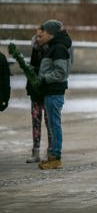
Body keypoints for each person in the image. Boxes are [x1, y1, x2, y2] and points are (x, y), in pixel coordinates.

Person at [36, 20, 72, 170]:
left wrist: (43, 79)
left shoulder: (58, 48)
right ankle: (53, 155)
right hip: (50, 92)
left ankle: (56, 157)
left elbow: (61, 73)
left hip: (54, 92)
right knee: (52, 125)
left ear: (50, 34)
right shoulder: (52, 47)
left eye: (41, 34)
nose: (38, 37)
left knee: (54, 125)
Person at [26, 30, 52, 163]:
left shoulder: (51, 49)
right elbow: (30, 67)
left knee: (49, 122)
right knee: (36, 121)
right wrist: (30, 86)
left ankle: (51, 151)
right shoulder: (35, 48)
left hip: (47, 90)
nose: (38, 38)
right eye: (37, 35)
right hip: (36, 91)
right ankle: (35, 151)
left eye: (41, 35)